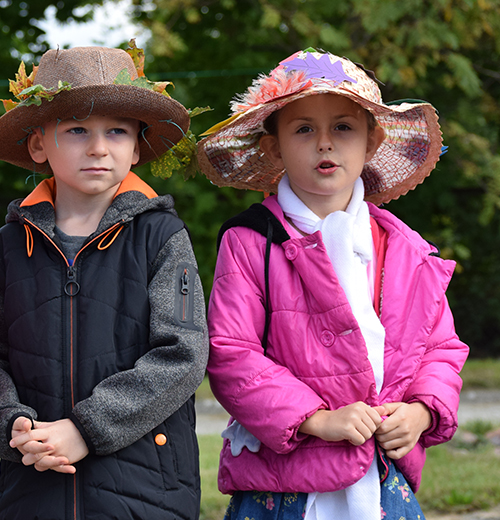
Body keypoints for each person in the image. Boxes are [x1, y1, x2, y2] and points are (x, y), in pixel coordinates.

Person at [196, 49, 469, 519]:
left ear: (371, 140)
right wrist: (316, 419)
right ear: (274, 147)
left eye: (343, 127)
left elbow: (441, 347)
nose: (325, 143)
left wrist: (422, 411)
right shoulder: (250, 242)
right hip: (284, 485)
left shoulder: (406, 250)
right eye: (304, 129)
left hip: (382, 475)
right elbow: (230, 351)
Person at [0, 44, 209, 520]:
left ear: (136, 146)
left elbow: (183, 353)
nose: (98, 147)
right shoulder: (0, 252)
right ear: (38, 145)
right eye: (77, 130)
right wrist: (12, 426)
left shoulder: (162, 237)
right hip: (35, 490)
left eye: (116, 131)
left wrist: (86, 429)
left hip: (148, 490)